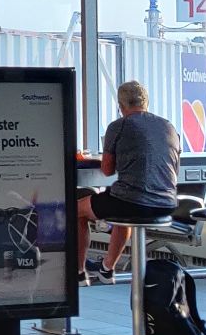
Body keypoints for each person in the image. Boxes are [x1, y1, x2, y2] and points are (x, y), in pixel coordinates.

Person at [76, 81, 180, 285]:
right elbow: (173, 168)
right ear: (146, 102)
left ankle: (78, 273)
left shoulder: (118, 126)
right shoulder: (169, 126)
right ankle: (107, 269)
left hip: (132, 201)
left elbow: (107, 170)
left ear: (121, 105)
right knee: (124, 206)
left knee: (76, 210)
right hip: (167, 204)